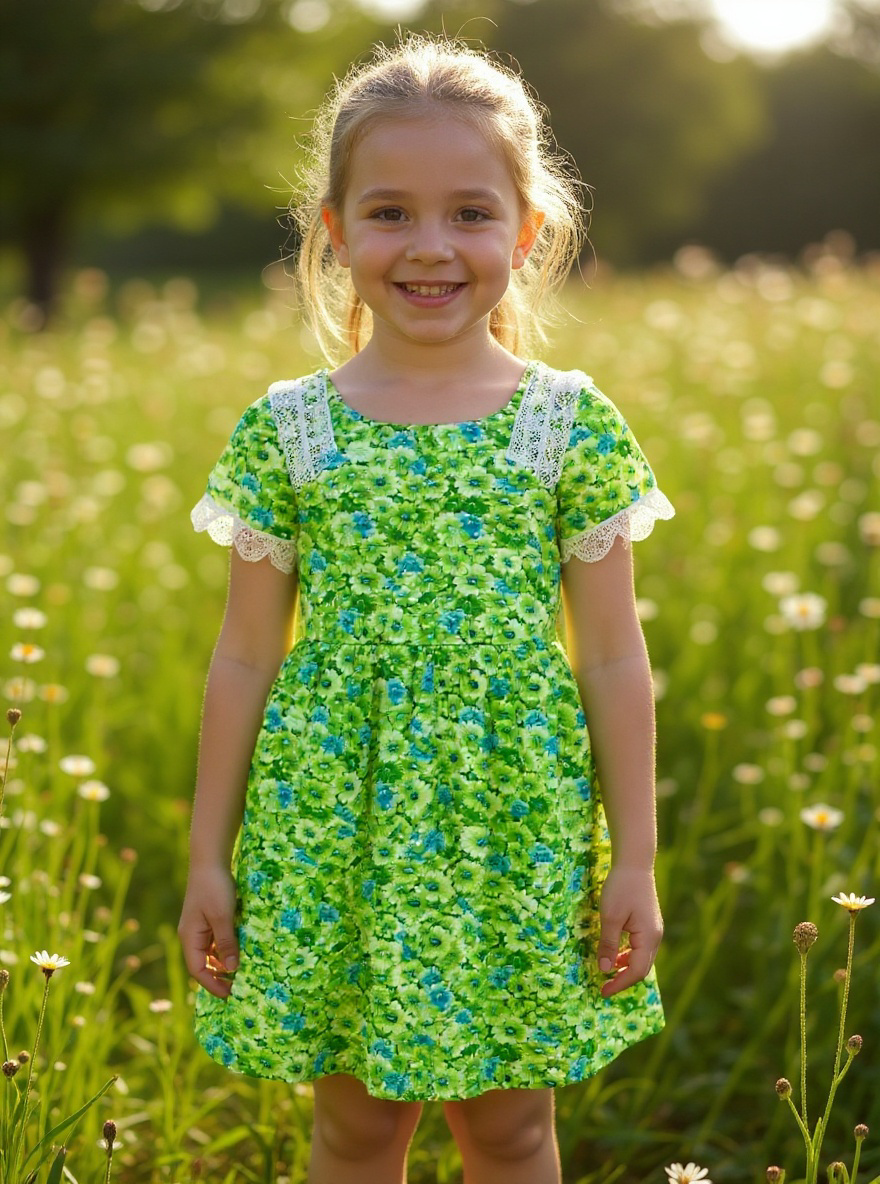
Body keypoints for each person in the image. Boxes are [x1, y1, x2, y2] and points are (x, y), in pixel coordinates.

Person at [178, 32, 675, 1184]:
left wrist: (634, 859)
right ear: (336, 230)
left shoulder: (566, 422)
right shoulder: (288, 427)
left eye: (469, 213)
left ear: (527, 231)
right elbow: (245, 655)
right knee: (355, 1128)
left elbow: (609, 655)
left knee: (507, 1127)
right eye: (391, 213)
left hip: (511, 824)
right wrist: (209, 855)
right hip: (331, 824)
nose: (431, 247)